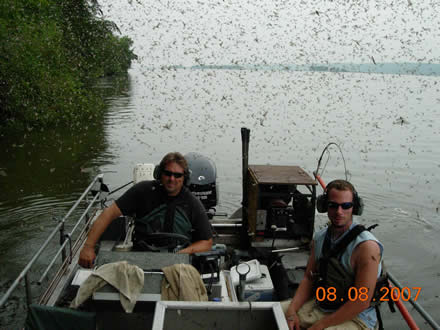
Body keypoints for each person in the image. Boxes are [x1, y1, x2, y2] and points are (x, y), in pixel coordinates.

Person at [79, 152, 213, 268]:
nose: (172, 179)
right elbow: (108, 213)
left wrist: (182, 254)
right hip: (140, 258)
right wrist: (88, 247)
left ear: (184, 178)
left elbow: (207, 242)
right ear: (159, 174)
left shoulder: (192, 203)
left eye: (177, 175)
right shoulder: (142, 191)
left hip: (178, 262)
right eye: (168, 173)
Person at [284, 180, 383, 330]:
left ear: (354, 208)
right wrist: (291, 311)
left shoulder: (366, 248)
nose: (339, 212)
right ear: (324, 206)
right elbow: (309, 278)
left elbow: (361, 302)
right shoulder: (319, 238)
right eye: (333, 205)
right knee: (275, 314)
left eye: (346, 206)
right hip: (322, 305)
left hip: (357, 317)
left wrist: (321, 325)